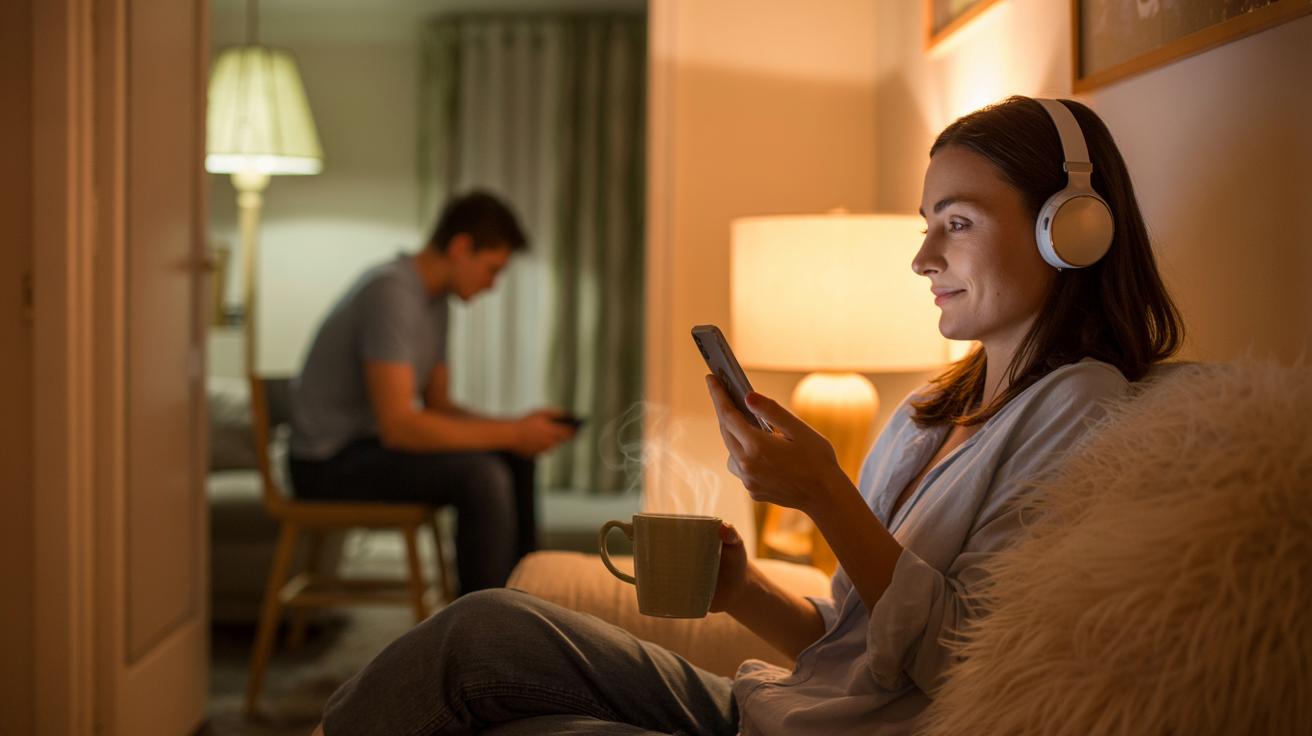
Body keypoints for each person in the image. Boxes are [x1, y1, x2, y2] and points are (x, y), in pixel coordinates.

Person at [309, 96, 1184, 735]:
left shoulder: (1085, 412)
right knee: (485, 628)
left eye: (953, 222)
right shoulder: (931, 408)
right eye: (926, 224)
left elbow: (964, 667)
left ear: (1069, 230)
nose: (922, 257)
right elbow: (853, 639)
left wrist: (825, 497)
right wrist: (745, 590)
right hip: (781, 706)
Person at [289, 191, 576, 594]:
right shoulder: (392, 291)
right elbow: (400, 426)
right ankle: (484, 625)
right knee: (481, 476)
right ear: (461, 248)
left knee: (515, 458)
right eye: (492, 269)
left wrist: (519, 428)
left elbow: (439, 406)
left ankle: (524, 603)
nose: (492, 285)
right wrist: (511, 432)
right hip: (326, 462)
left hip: (370, 447)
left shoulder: (436, 302)